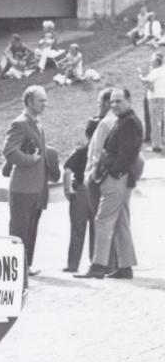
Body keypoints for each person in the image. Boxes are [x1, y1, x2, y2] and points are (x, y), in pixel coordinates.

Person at [77, 87, 142, 279]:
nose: (114, 105)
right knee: (121, 222)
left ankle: (98, 265)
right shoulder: (124, 120)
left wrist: (112, 173)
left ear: (129, 101)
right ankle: (125, 266)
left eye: (118, 101)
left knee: (102, 220)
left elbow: (128, 154)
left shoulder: (128, 122)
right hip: (119, 178)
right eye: (112, 101)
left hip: (116, 179)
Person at [3, 85, 59, 275]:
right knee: (20, 230)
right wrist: (30, 160)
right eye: (41, 101)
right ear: (29, 102)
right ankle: (15, 269)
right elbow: (9, 151)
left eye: (45, 100)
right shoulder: (20, 123)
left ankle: (26, 265)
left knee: (32, 228)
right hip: (23, 187)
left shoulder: (36, 122)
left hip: (37, 187)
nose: (45, 104)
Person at [62, 117, 99, 273]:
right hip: (96, 191)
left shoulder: (80, 152)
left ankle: (73, 264)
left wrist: (67, 190)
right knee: (96, 230)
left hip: (81, 191)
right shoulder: (101, 153)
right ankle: (95, 261)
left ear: (87, 133)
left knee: (77, 230)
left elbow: (67, 171)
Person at [139, 51, 165, 151]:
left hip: (155, 99)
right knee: (159, 120)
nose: (151, 62)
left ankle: (156, 146)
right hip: (161, 97)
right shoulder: (162, 70)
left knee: (155, 121)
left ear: (156, 61)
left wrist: (140, 75)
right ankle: (159, 142)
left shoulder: (156, 71)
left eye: (152, 60)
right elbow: (152, 86)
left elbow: (146, 81)